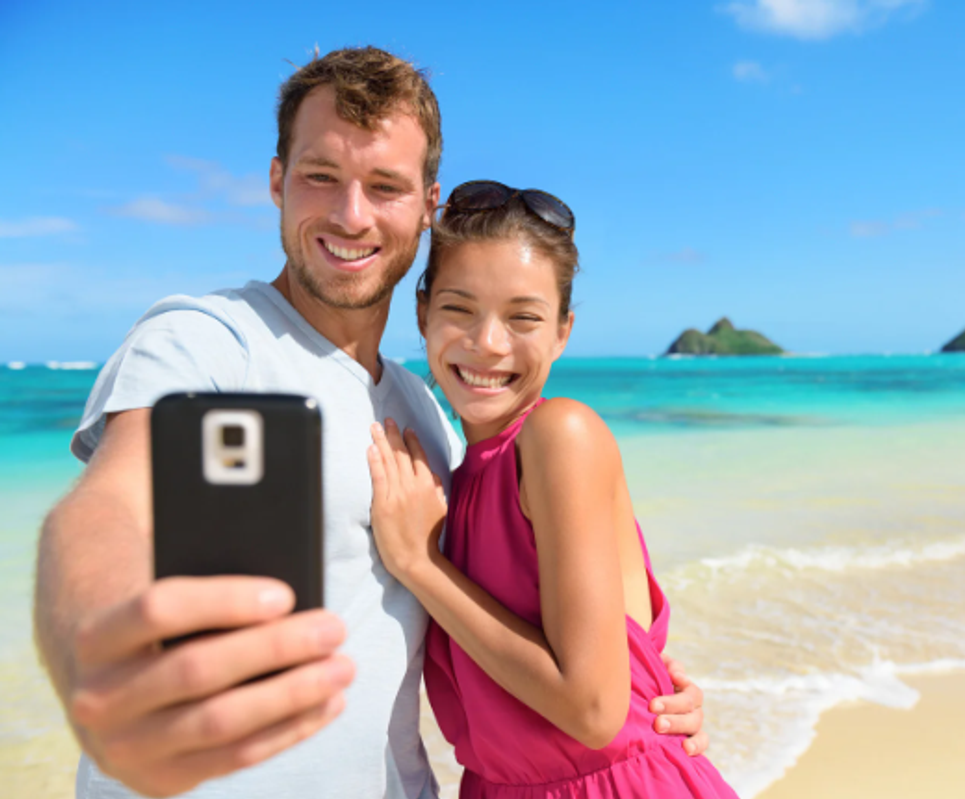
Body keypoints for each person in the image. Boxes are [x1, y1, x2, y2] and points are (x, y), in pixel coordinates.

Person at [32, 47, 708, 799]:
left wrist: (649, 698)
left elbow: (537, 624)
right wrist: (98, 654)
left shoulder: (430, 419)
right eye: (321, 175)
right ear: (276, 181)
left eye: (384, 186)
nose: (351, 215)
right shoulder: (211, 343)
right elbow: (109, 509)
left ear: (426, 205)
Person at [365, 181, 737, 797]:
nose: (488, 342)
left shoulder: (561, 434)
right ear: (423, 313)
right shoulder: (455, 471)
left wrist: (421, 566)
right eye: (459, 309)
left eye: (523, 317)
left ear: (563, 332)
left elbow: (592, 712)